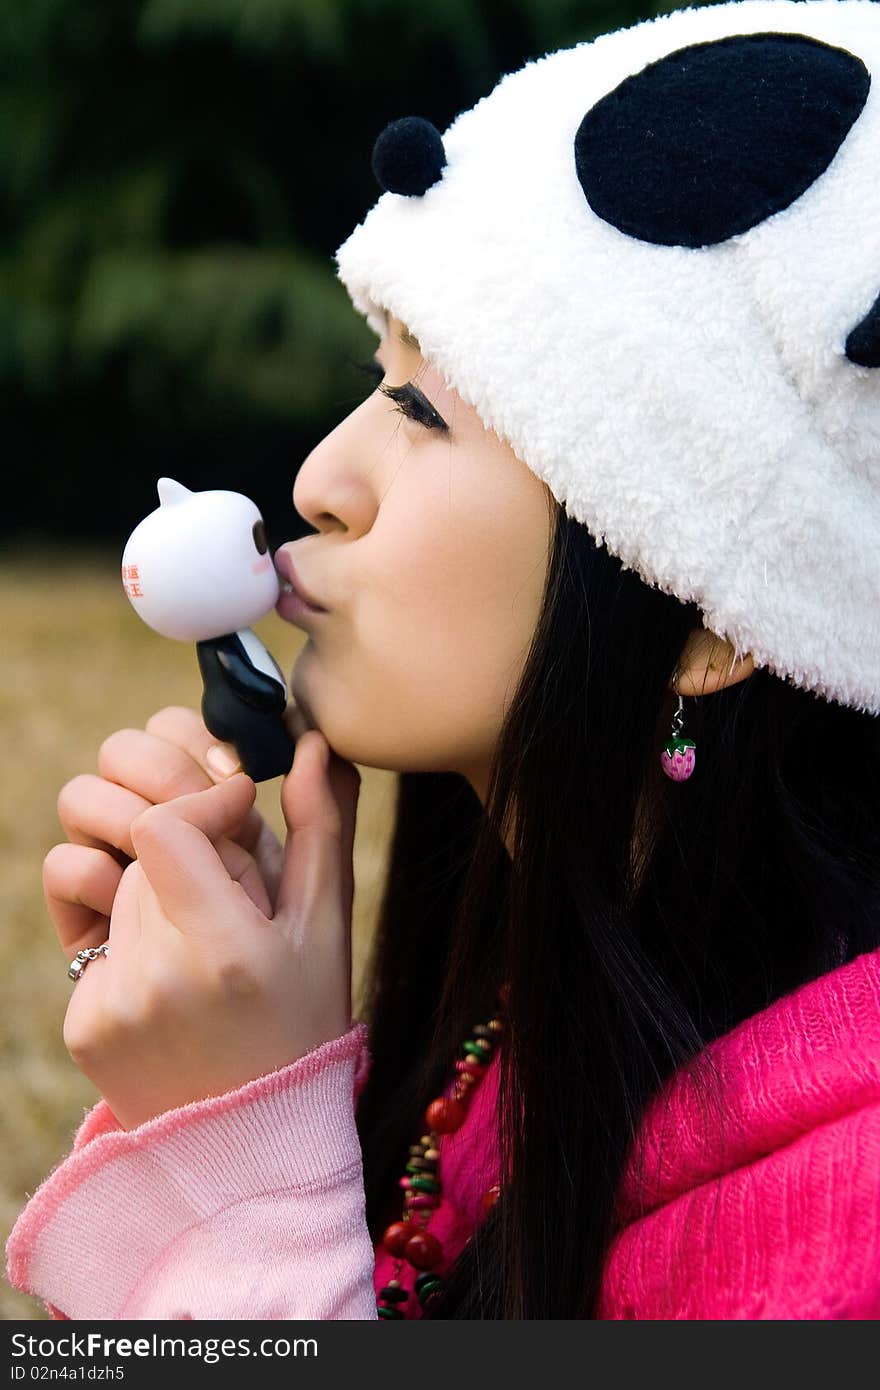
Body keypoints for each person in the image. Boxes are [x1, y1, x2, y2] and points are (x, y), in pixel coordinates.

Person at [6, 0, 880, 1320]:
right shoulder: (540, 1009)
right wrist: (215, 1071)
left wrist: (248, 1179)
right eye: (378, 373)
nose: (318, 479)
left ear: (709, 613)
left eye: (421, 410)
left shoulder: (844, 1222)